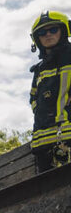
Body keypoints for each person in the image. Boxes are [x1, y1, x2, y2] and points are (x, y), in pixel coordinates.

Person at [29, 11, 71, 173]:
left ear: (64, 30)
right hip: (43, 142)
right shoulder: (39, 70)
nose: (47, 35)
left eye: (53, 30)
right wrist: (40, 112)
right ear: (37, 39)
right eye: (42, 32)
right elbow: (33, 98)